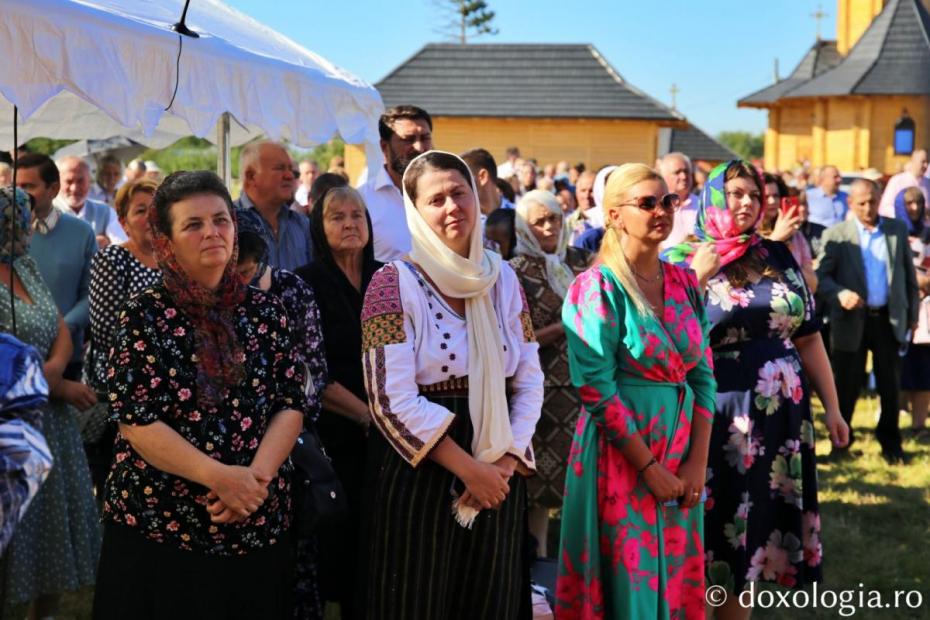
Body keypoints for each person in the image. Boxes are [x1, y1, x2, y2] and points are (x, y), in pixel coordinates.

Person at [92, 171, 305, 618]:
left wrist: (253, 482)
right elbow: (136, 419)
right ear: (166, 239)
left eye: (221, 220)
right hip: (162, 526)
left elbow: (290, 403)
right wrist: (219, 477)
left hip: (255, 518)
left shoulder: (268, 311)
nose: (212, 232)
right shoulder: (144, 315)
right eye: (193, 224)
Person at [359, 151, 543, 619]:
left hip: (498, 456)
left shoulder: (503, 280)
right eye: (435, 199)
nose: (452, 207)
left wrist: (501, 463)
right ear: (414, 212)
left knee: (490, 597)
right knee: (418, 599)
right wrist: (470, 470)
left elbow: (528, 378)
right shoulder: (390, 284)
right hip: (424, 464)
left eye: (459, 193)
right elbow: (389, 399)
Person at [668, 161, 849, 618]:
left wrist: (834, 409)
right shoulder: (680, 258)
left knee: (755, 536)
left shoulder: (777, 255)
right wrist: (699, 276)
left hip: (781, 417)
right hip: (718, 414)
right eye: (734, 193)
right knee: (715, 525)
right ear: (713, 198)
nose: (746, 202)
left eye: (753, 194)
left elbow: (807, 335)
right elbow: (662, 333)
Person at [555, 164, 715, 619]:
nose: (662, 210)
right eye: (647, 202)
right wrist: (648, 467)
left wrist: (696, 462)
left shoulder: (684, 281)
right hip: (620, 454)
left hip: (681, 448)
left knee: (675, 576)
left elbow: (703, 374)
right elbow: (595, 388)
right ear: (614, 215)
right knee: (629, 582)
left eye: (668, 201)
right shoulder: (596, 287)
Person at [0, 188, 100, 620]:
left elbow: (60, 326)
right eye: (15, 221)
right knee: (15, 531)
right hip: (12, 424)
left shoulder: (24, 265)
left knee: (50, 529)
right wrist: (54, 386)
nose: (24, 229)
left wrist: (56, 369)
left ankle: (44, 614)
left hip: (50, 422)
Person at [235, 208, 328, 620]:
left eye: (248, 269)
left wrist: (283, 420)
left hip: (290, 441)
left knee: (295, 551)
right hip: (229, 449)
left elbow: (315, 367)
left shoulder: (292, 290)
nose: (241, 280)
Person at [296, 185, 383, 620]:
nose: (350, 223)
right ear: (319, 226)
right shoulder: (304, 283)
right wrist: (368, 416)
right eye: (337, 216)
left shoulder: (389, 278)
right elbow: (311, 372)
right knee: (342, 536)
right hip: (336, 434)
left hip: (392, 433)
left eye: (357, 215)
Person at [508, 190, 591, 557]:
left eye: (553, 218)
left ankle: (581, 556)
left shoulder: (584, 262)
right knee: (537, 483)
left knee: (587, 479)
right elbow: (511, 339)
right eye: (537, 222)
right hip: (541, 391)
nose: (547, 228)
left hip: (588, 386)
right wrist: (561, 329)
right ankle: (538, 560)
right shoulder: (513, 272)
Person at [817, 179, 919, 464]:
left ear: (879, 200)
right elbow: (821, 278)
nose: (868, 208)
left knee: (890, 385)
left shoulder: (895, 230)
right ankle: (840, 444)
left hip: (887, 318)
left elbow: (909, 277)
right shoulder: (837, 234)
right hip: (851, 319)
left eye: (872, 201)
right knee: (846, 385)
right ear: (850, 203)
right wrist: (840, 293)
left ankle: (891, 444)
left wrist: (912, 316)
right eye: (861, 202)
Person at [84, 178, 162, 498]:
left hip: (166, 390)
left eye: (156, 209)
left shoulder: (177, 262)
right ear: (123, 221)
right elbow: (105, 332)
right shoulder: (112, 259)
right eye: (140, 210)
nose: (149, 217)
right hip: (119, 390)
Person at [19, 153, 98, 380]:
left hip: (67, 358)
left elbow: (91, 294)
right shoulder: (6, 234)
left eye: (28, 186)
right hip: (14, 355)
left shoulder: (82, 232)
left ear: (53, 189)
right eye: (15, 185)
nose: (19, 193)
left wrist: (63, 328)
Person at [358, 105, 434, 262]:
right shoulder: (362, 201)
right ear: (384, 147)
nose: (420, 148)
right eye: (408, 139)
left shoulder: (446, 196)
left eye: (425, 138)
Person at [234, 140, 313, 271]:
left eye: (290, 169)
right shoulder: (228, 223)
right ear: (251, 176)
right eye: (280, 168)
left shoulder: (302, 224)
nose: (290, 176)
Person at [895, 187, 930, 438]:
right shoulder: (893, 233)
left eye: (918, 202)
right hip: (897, 308)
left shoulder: (928, 232)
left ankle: (919, 425)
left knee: (923, 368)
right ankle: (894, 417)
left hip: (925, 311)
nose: (914, 208)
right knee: (895, 368)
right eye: (909, 203)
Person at [759, 172, 817, 292]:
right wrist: (775, 241)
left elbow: (813, 284)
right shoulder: (748, 235)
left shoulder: (795, 235)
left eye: (776, 196)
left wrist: (790, 262)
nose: (772, 201)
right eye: (766, 196)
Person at [54, 155, 128, 248]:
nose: (74, 188)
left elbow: (123, 247)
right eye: (69, 181)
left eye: (81, 181)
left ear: (89, 181)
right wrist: (94, 243)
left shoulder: (105, 211)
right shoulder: (44, 212)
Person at [658, 152, 700, 248]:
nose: (684, 176)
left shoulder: (703, 205)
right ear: (664, 176)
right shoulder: (656, 206)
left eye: (686, 171)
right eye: (677, 172)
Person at [879, 149, 930, 218]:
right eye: (923, 162)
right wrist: (904, 214)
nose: (926, 165)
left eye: (927, 162)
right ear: (913, 161)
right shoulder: (897, 181)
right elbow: (884, 208)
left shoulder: (928, 183)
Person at [461, 148, 515, 213]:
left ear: (482, 177)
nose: (458, 186)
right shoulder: (463, 220)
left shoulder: (521, 217)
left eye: (463, 178)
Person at [565, 171, 598, 245]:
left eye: (591, 191)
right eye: (583, 190)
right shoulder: (567, 222)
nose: (587, 196)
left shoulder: (606, 221)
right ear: (576, 193)